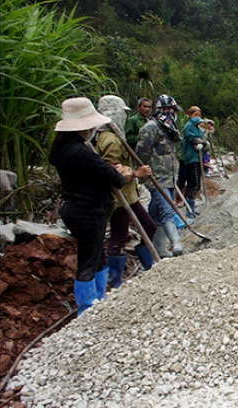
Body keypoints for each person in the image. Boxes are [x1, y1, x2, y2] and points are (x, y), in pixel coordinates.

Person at [48, 97, 129, 317]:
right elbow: (112, 177)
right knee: (88, 258)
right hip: (87, 209)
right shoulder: (79, 151)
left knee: (97, 252)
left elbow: (97, 170)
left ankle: (99, 296)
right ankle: (86, 308)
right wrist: (120, 172)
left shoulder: (64, 148)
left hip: (77, 207)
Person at [95, 95, 156, 287]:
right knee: (119, 235)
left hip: (128, 195)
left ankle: (148, 267)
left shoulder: (111, 136)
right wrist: (136, 173)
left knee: (147, 226)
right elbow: (110, 168)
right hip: (119, 196)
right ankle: (116, 279)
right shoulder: (111, 140)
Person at [135, 94, 184, 258]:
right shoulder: (151, 128)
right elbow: (141, 154)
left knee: (155, 213)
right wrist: (143, 174)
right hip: (156, 178)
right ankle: (176, 242)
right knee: (166, 209)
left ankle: (157, 249)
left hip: (169, 177)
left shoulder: (169, 129)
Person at [182, 105, 208, 218]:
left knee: (197, 184)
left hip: (198, 158)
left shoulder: (198, 128)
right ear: (190, 115)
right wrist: (199, 142)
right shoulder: (189, 126)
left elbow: (204, 142)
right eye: (195, 115)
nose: (197, 117)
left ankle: (191, 208)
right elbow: (193, 139)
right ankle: (189, 209)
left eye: (199, 115)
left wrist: (203, 144)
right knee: (193, 184)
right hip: (191, 158)